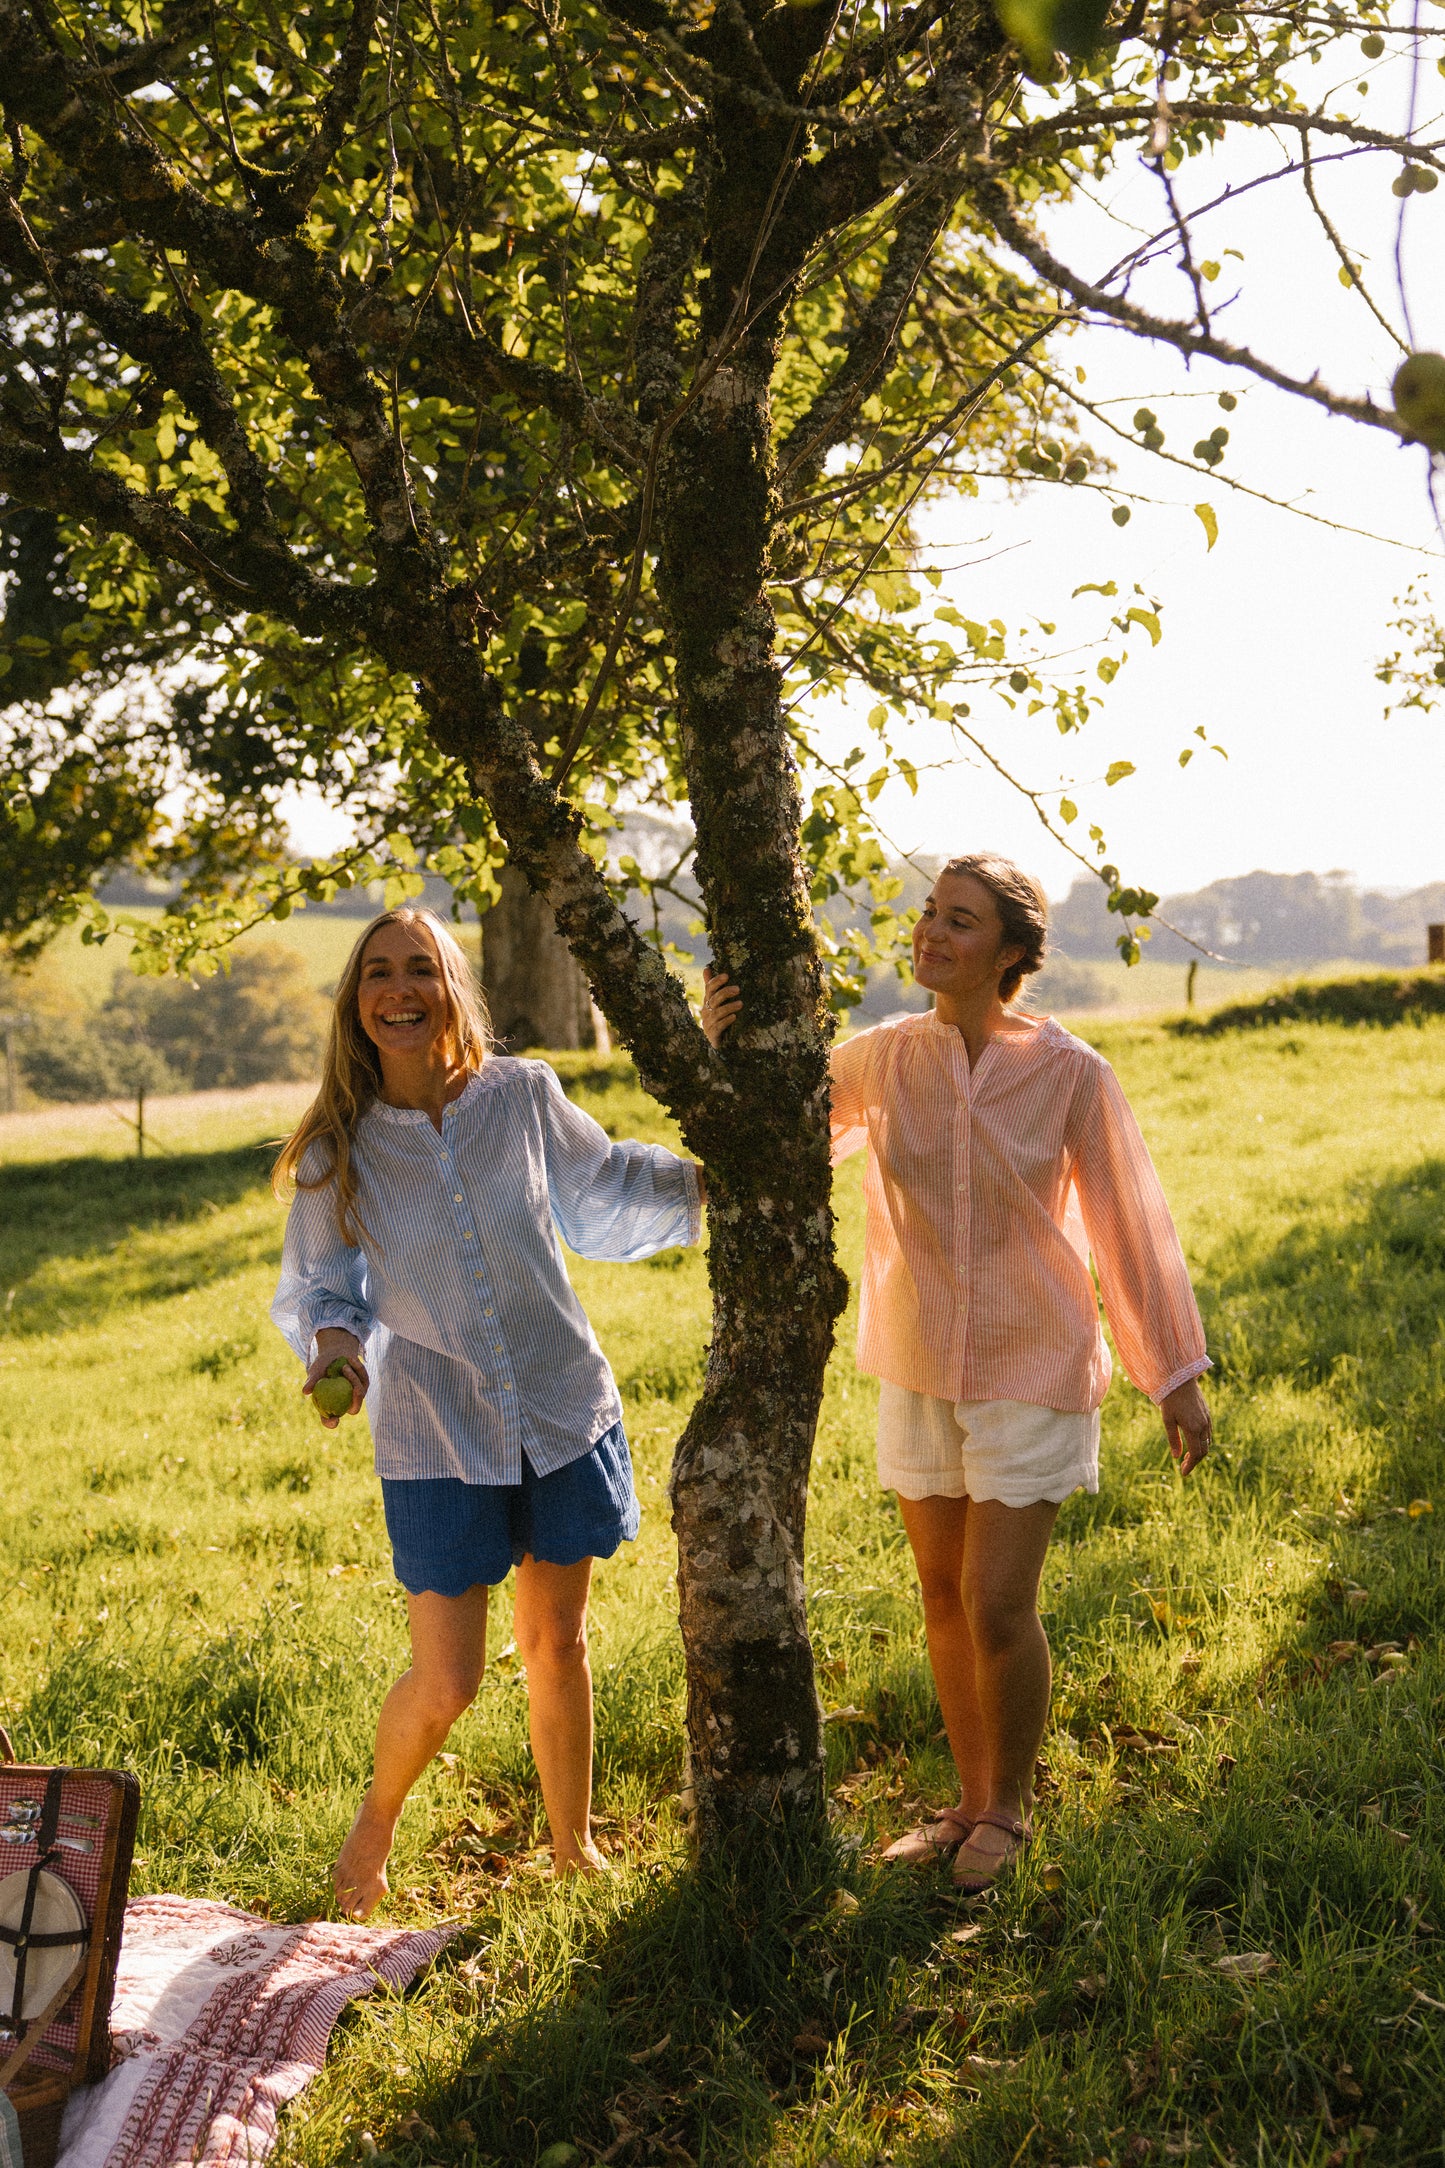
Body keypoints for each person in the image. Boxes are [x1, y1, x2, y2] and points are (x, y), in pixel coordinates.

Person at [700, 853, 1211, 1893]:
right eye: (929, 912)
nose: (930, 932)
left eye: (960, 921)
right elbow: (782, 1134)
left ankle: (1011, 1809)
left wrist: (1175, 1376)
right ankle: (967, 1797)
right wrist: (721, 1045)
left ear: (1011, 953)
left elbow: (1130, 1224)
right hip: (918, 1359)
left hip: (1033, 1361)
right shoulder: (886, 1057)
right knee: (938, 1592)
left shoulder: (1070, 1073)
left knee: (993, 1602)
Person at [271, 906, 702, 1917]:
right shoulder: (339, 1150)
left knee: (557, 1641)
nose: (399, 988)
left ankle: (571, 1848)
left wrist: (713, 1176)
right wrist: (335, 1353)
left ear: (453, 986)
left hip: (556, 1403)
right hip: (435, 1431)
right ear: (356, 1002)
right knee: (448, 1676)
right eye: (378, 971)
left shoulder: (520, 1094)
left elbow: (600, 1190)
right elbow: (325, 1294)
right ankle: (371, 1826)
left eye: (420, 967)